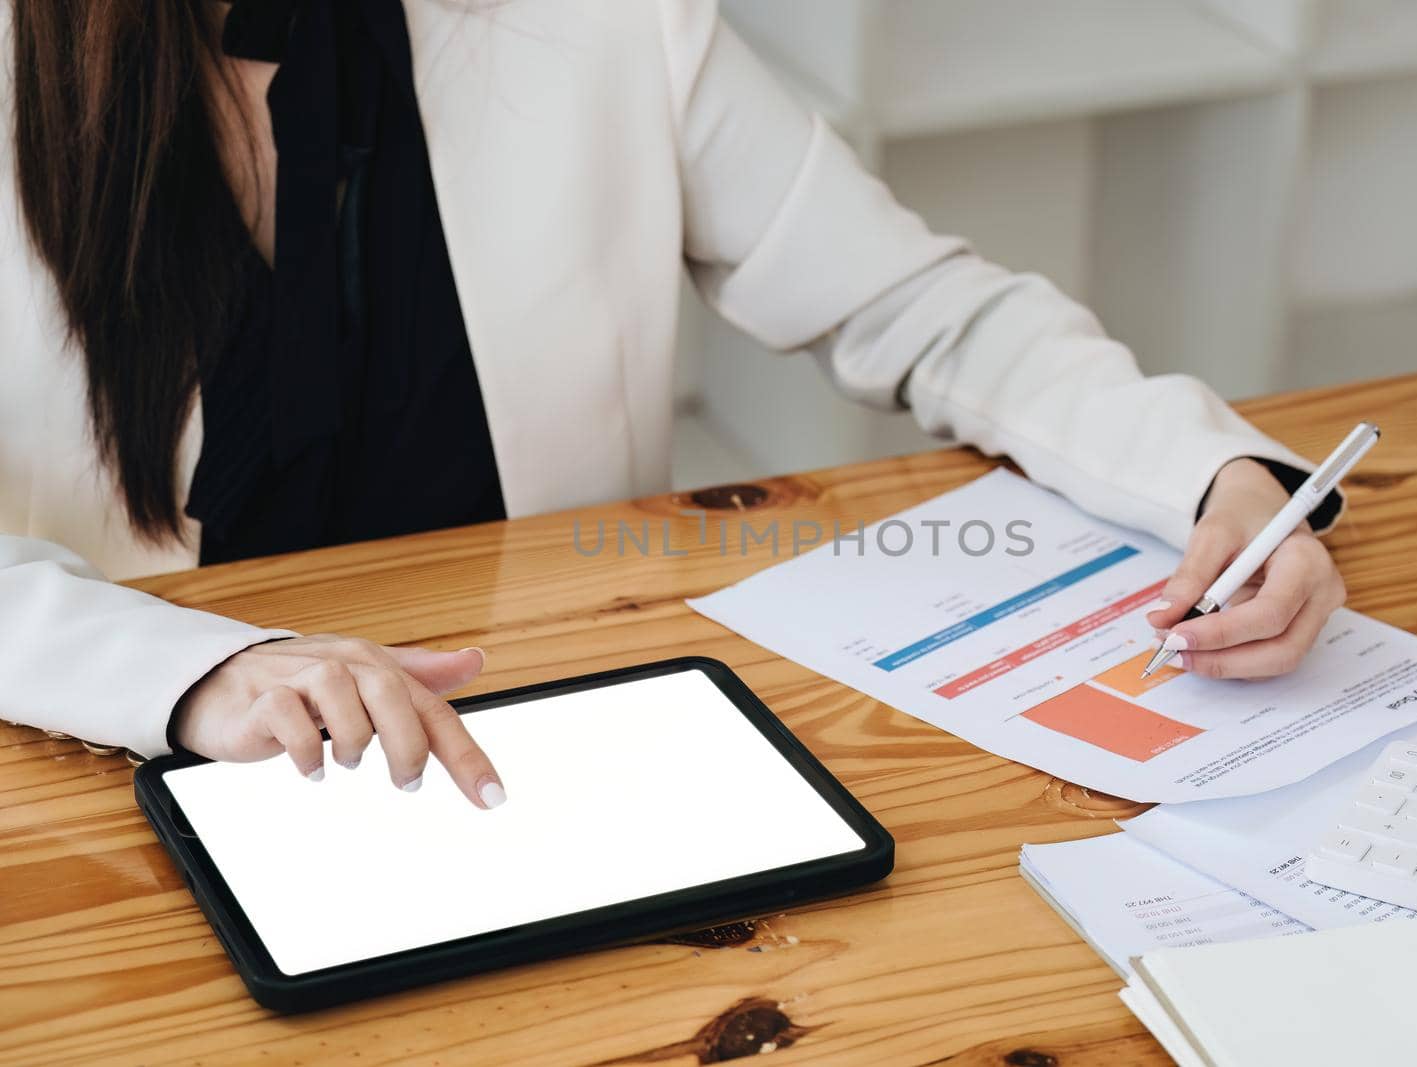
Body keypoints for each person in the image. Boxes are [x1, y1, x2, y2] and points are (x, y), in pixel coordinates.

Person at [0, 0, 1345, 809]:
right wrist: (194, 675)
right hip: (123, 775)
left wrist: (1221, 478)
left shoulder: (605, 20)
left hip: (548, 748)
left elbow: (924, 309)